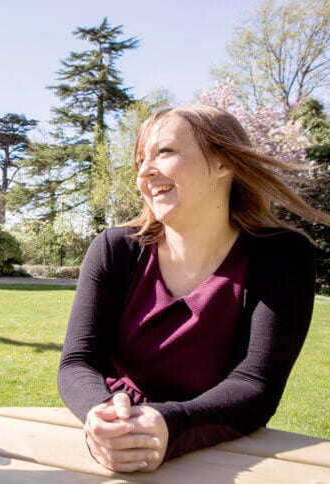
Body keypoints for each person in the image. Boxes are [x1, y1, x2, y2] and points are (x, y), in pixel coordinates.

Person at [58, 104, 330, 473]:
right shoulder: (114, 249)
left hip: (220, 451)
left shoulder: (282, 257)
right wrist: (103, 411)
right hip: (119, 440)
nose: (145, 171)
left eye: (165, 152)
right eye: (140, 159)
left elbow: (255, 385)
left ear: (223, 164)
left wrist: (170, 425)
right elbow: (77, 363)